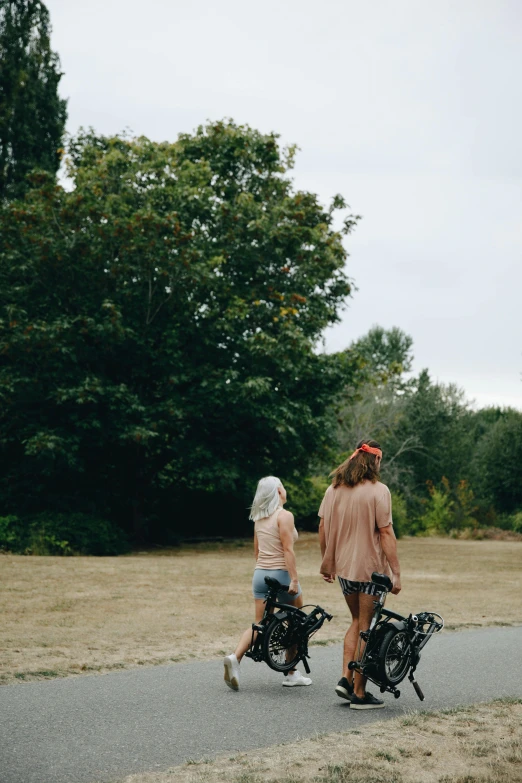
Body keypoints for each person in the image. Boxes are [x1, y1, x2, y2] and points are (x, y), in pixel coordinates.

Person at [318, 440, 401, 710]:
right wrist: (396, 573)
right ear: (374, 461)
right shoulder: (379, 491)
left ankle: (345, 678)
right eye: (380, 460)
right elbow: (386, 533)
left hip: (343, 569)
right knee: (368, 626)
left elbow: (322, 527)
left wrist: (326, 561)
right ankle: (360, 693)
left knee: (356, 620)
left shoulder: (333, 489)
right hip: (370, 571)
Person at [223, 476, 312, 691]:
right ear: (279, 491)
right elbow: (287, 550)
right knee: (296, 622)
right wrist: (294, 579)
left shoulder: (259, 518)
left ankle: (235, 658)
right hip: (281, 574)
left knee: (260, 623)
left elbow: (257, 551)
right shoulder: (285, 516)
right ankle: (291, 673)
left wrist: (265, 571)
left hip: (260, 574)